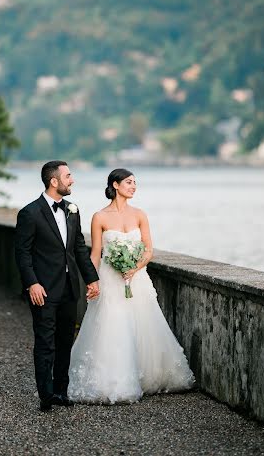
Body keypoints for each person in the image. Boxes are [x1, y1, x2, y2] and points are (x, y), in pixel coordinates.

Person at [68, 168, 195, 403]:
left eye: (135, 183)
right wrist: (91, 280)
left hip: (137, 279)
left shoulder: (140, 215)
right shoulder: (100, 217)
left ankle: (148, 376)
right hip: (109, 279)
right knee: (113, 325)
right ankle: (113, 380)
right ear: (115, 185)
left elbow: (148, 249)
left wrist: (134, 268)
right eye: (129, 182)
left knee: (144, 323)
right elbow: (96, 253)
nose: (134, 186)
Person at [15, 160, 100, 411]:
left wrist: (92, 279)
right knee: (45, 342)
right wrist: (32, 283)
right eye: (68, 176)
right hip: (43, 290)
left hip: (69, 288)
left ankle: (62, 392)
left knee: (65, 341)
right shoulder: (29, 213)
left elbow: (79, 250)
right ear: (54, 181)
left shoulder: (73, 210)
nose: (72, 180)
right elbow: (23, 254)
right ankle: (46, 395)